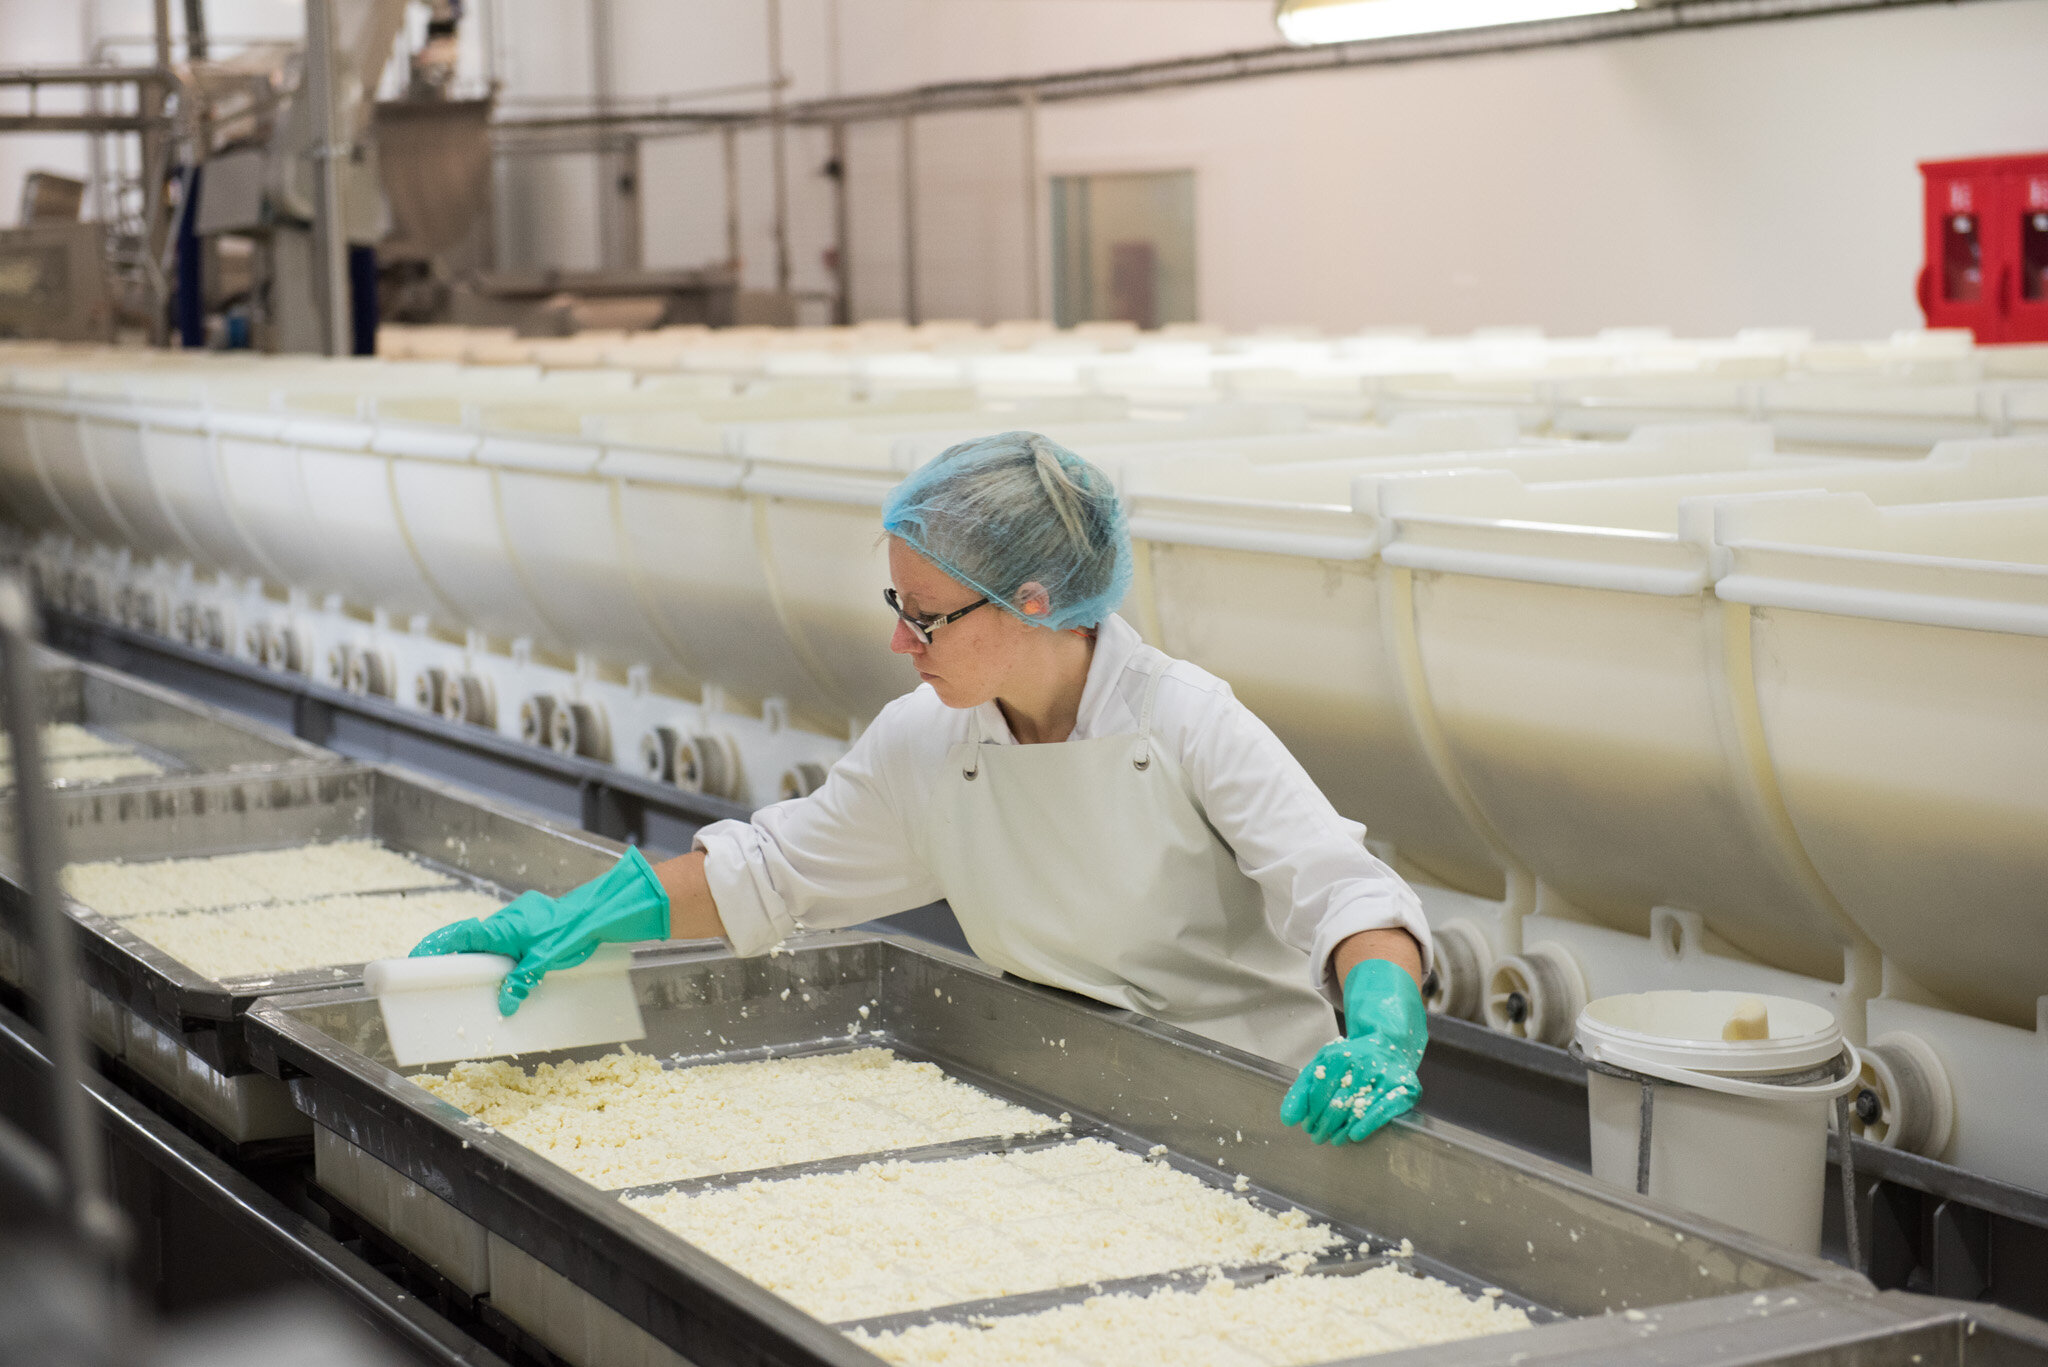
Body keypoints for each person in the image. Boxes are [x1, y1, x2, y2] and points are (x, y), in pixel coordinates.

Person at [411, 431, 1432, 1145]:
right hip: (1072, 1095)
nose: (900, 639)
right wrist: (588, 912)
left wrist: (1380, 1028)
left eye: (928, 615)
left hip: (1272, 1107)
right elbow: (776, 867)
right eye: (896, 603)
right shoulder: (930, 737)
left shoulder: (1185, 719)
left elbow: (1340, 891)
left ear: (1032, 603)